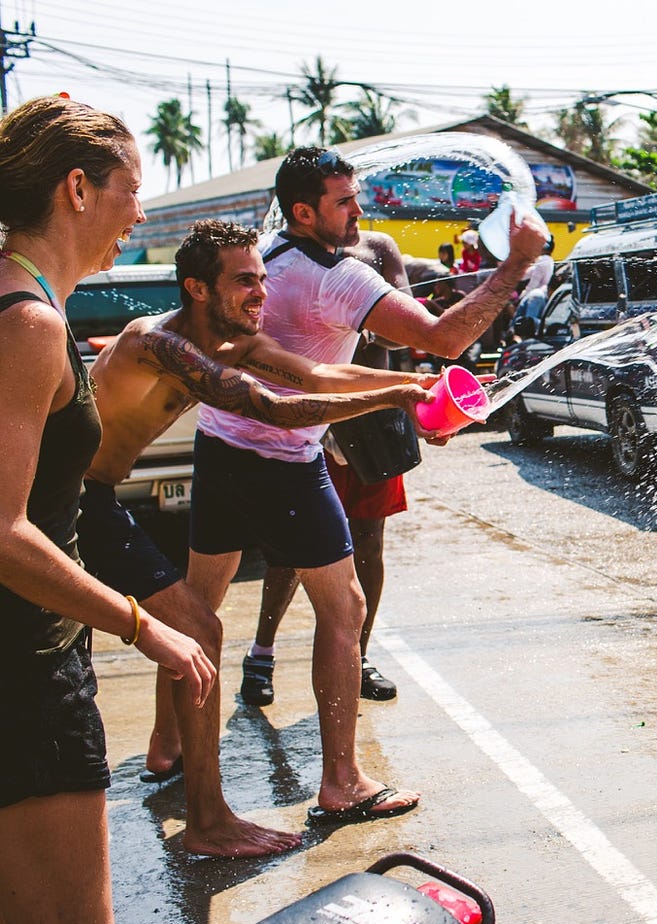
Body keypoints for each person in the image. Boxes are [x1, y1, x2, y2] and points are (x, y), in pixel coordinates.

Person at [186, 146, 547, 827]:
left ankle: (166, 744)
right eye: (344, 202)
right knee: (345, 609)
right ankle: (342, 781)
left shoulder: (266, 258)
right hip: (282, 457)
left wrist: (401, 395)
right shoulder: (337, 276)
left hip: (219, 444)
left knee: (198, 607)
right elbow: (444, 338)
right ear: (304, 212)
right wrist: (518, 263)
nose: (360, 210)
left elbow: (312, 371)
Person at [84, 220, 432, 855]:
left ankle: (176, 765)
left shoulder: (233, 342)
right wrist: (391, 401)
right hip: (64, 502)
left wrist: (408, 388)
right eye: (245, 280)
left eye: (263, 278)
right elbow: (275, 407)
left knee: (196, 623)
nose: (261, 292)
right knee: (200, 627)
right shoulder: (159, 344)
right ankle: (209, 824)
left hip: (93, 499)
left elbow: (316, 378)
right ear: (196, 288)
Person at [0, 95, 214, 924]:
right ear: (78, 188)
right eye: (132, 189)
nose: (142, 212)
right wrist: (143, 622)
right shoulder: (30, 324)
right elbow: (5, 532)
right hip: (25, 673)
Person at [243, 230, 421, 706]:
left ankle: (357, 657)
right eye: (343, 201)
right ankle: (261, 654)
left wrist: (358, 316)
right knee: (290, 550)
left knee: (369, 540)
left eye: (354, 199)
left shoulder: (378, 249)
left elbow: (404, 325)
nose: (353, 211)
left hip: (372, 421)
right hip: (308, 414)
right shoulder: (279, 254)